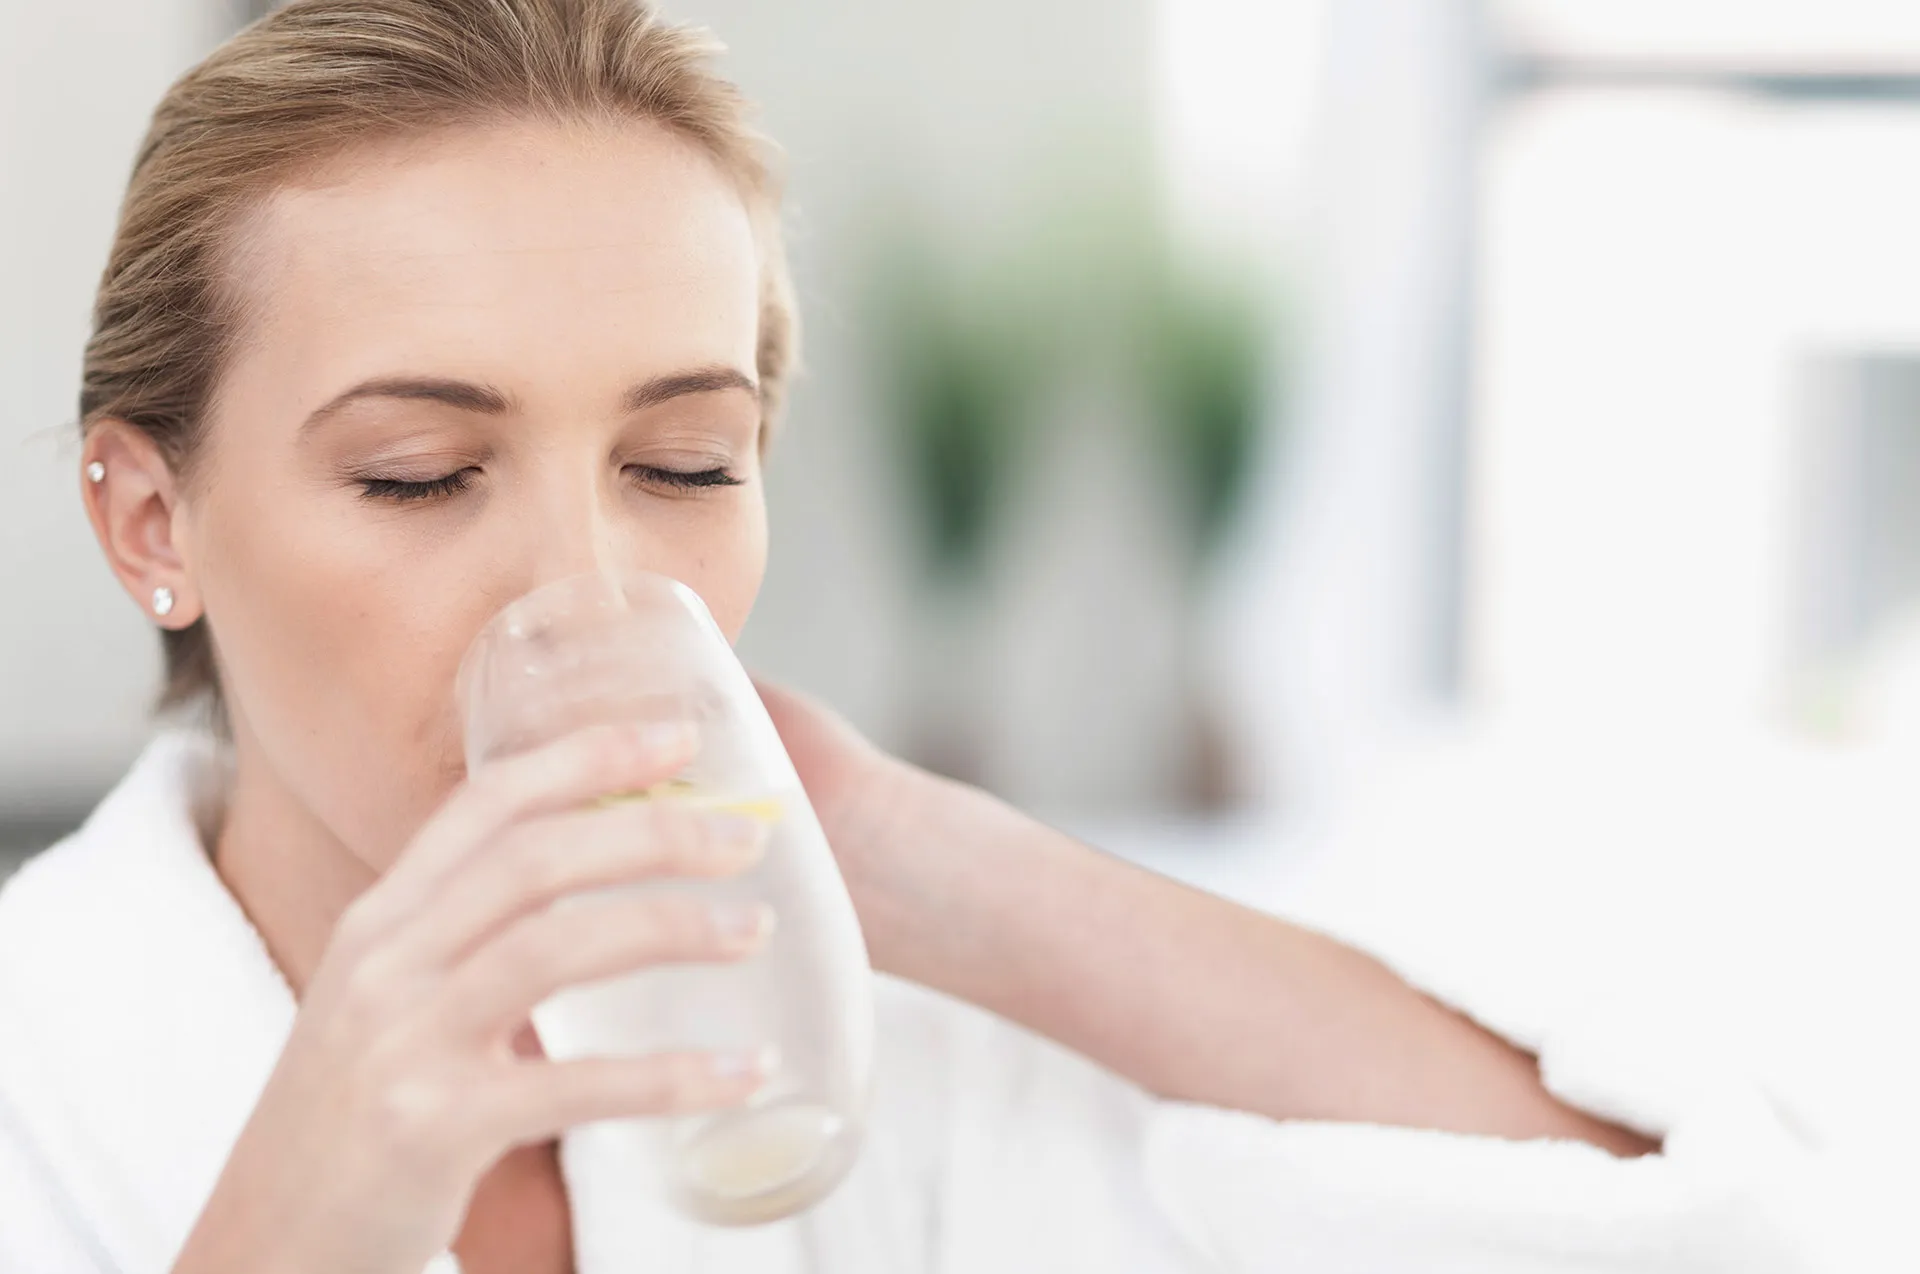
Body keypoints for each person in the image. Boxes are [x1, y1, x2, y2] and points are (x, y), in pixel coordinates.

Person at [2, 2, 1756, 1272]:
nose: (582, 585)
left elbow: (1679, 1225)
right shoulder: (43, 1079)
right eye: (420, 473)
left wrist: (929, 861)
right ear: (152, 519)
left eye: (683, 463)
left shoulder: (844, 1034)